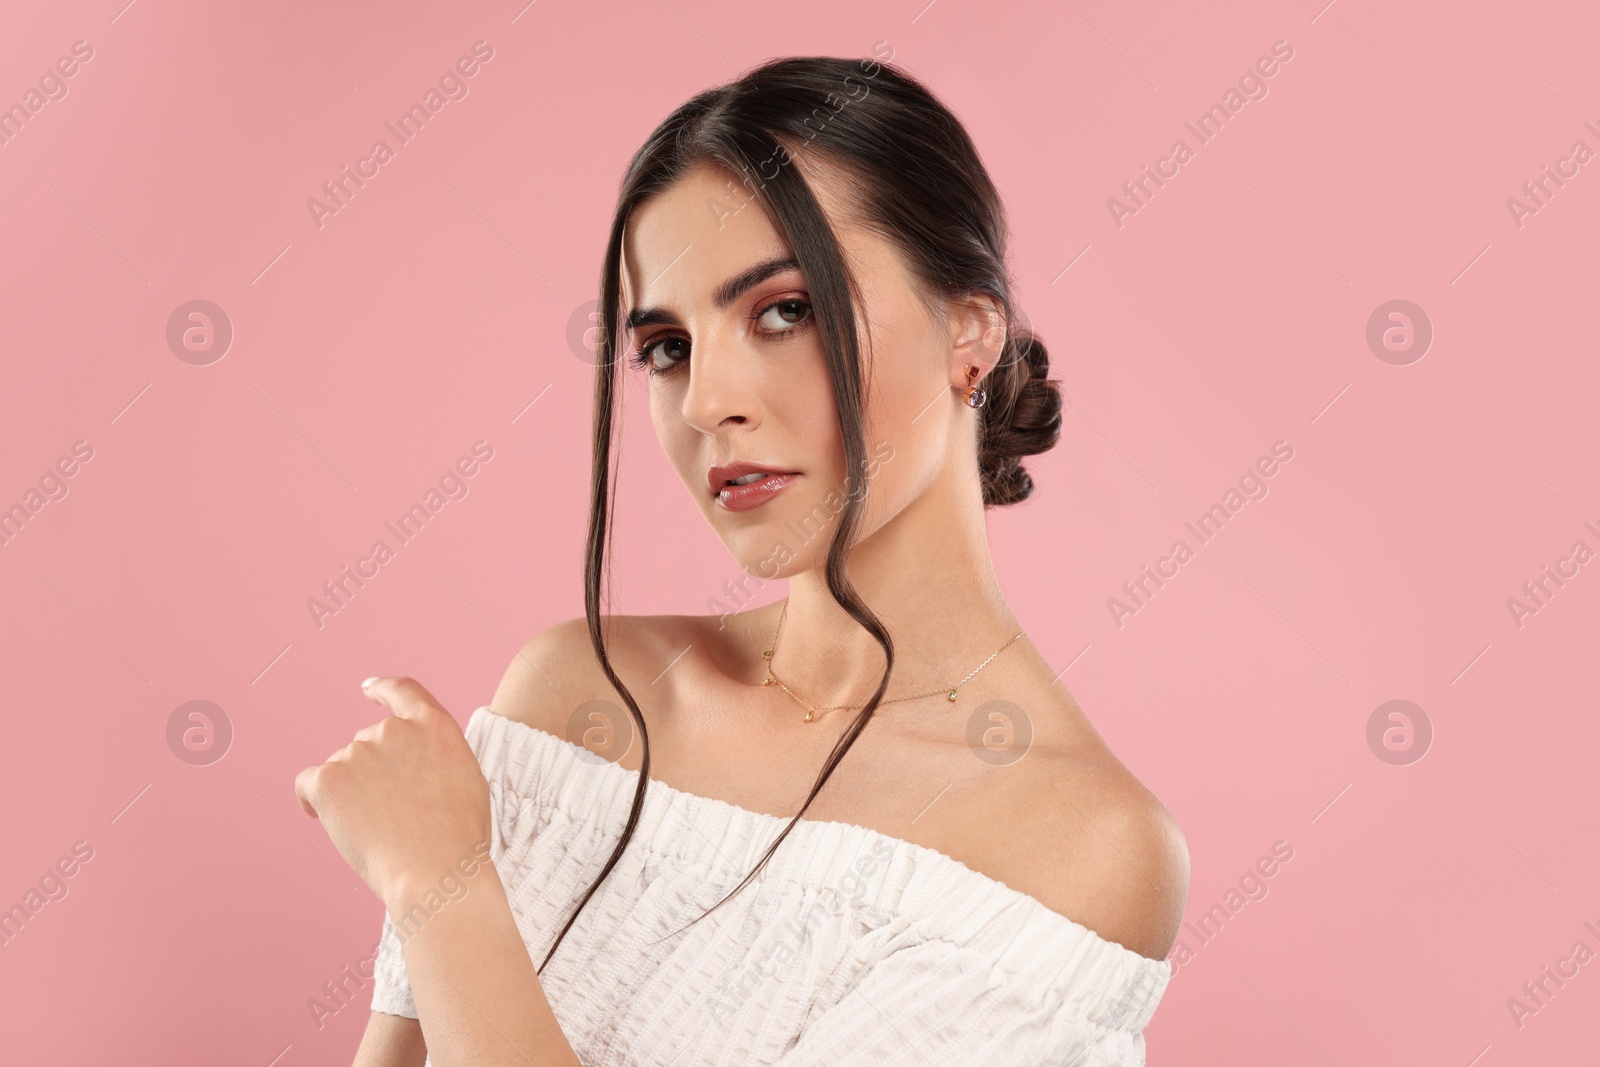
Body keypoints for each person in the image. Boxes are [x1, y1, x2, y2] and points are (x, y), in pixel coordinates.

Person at [295, 53, 1190, 1066]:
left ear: (969, 332)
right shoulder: (576, 696)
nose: (704, 399)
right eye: (668, 345)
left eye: (782, 310)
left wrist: (439, 881)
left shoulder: (1080, 846)